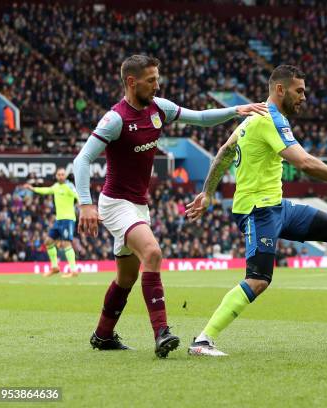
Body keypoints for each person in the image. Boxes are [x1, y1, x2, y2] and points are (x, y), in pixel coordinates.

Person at [73, 55, 268, 358]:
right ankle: (162, 332)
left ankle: (103, 335)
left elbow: (200, 118)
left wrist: (235, 111)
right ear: (131, 82)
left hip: (139, 206)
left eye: (157, 78)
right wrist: (85, 204)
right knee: (152, 253)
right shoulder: (115, 119)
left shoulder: (158, 108)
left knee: (126, 278)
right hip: (115, 204)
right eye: (151, 80)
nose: (157, 84)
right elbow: (82, 159)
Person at [185, 65, 327, 356]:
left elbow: (225, 152)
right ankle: (202, 341)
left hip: (277, 207)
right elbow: (304, 163)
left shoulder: (254, 117)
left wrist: (207, 192)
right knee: (258, 279)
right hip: (257, 211)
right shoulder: (269, 118)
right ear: (280, 89)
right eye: (299, 90)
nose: (304, 97)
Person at [24, 168, 79, 277]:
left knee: (66, 243)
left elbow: (78, 196)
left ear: (65, 176)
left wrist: (86, 207)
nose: (61, 176)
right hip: (58, 220)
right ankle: (55, 267)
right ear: (56, 176)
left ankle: (73, 271)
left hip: (68, 219)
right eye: (59, 174)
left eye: (63, 174)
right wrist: (32, 188)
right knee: (48, 241)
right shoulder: (56, 186)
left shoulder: (69, 186)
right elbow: (46, 190)